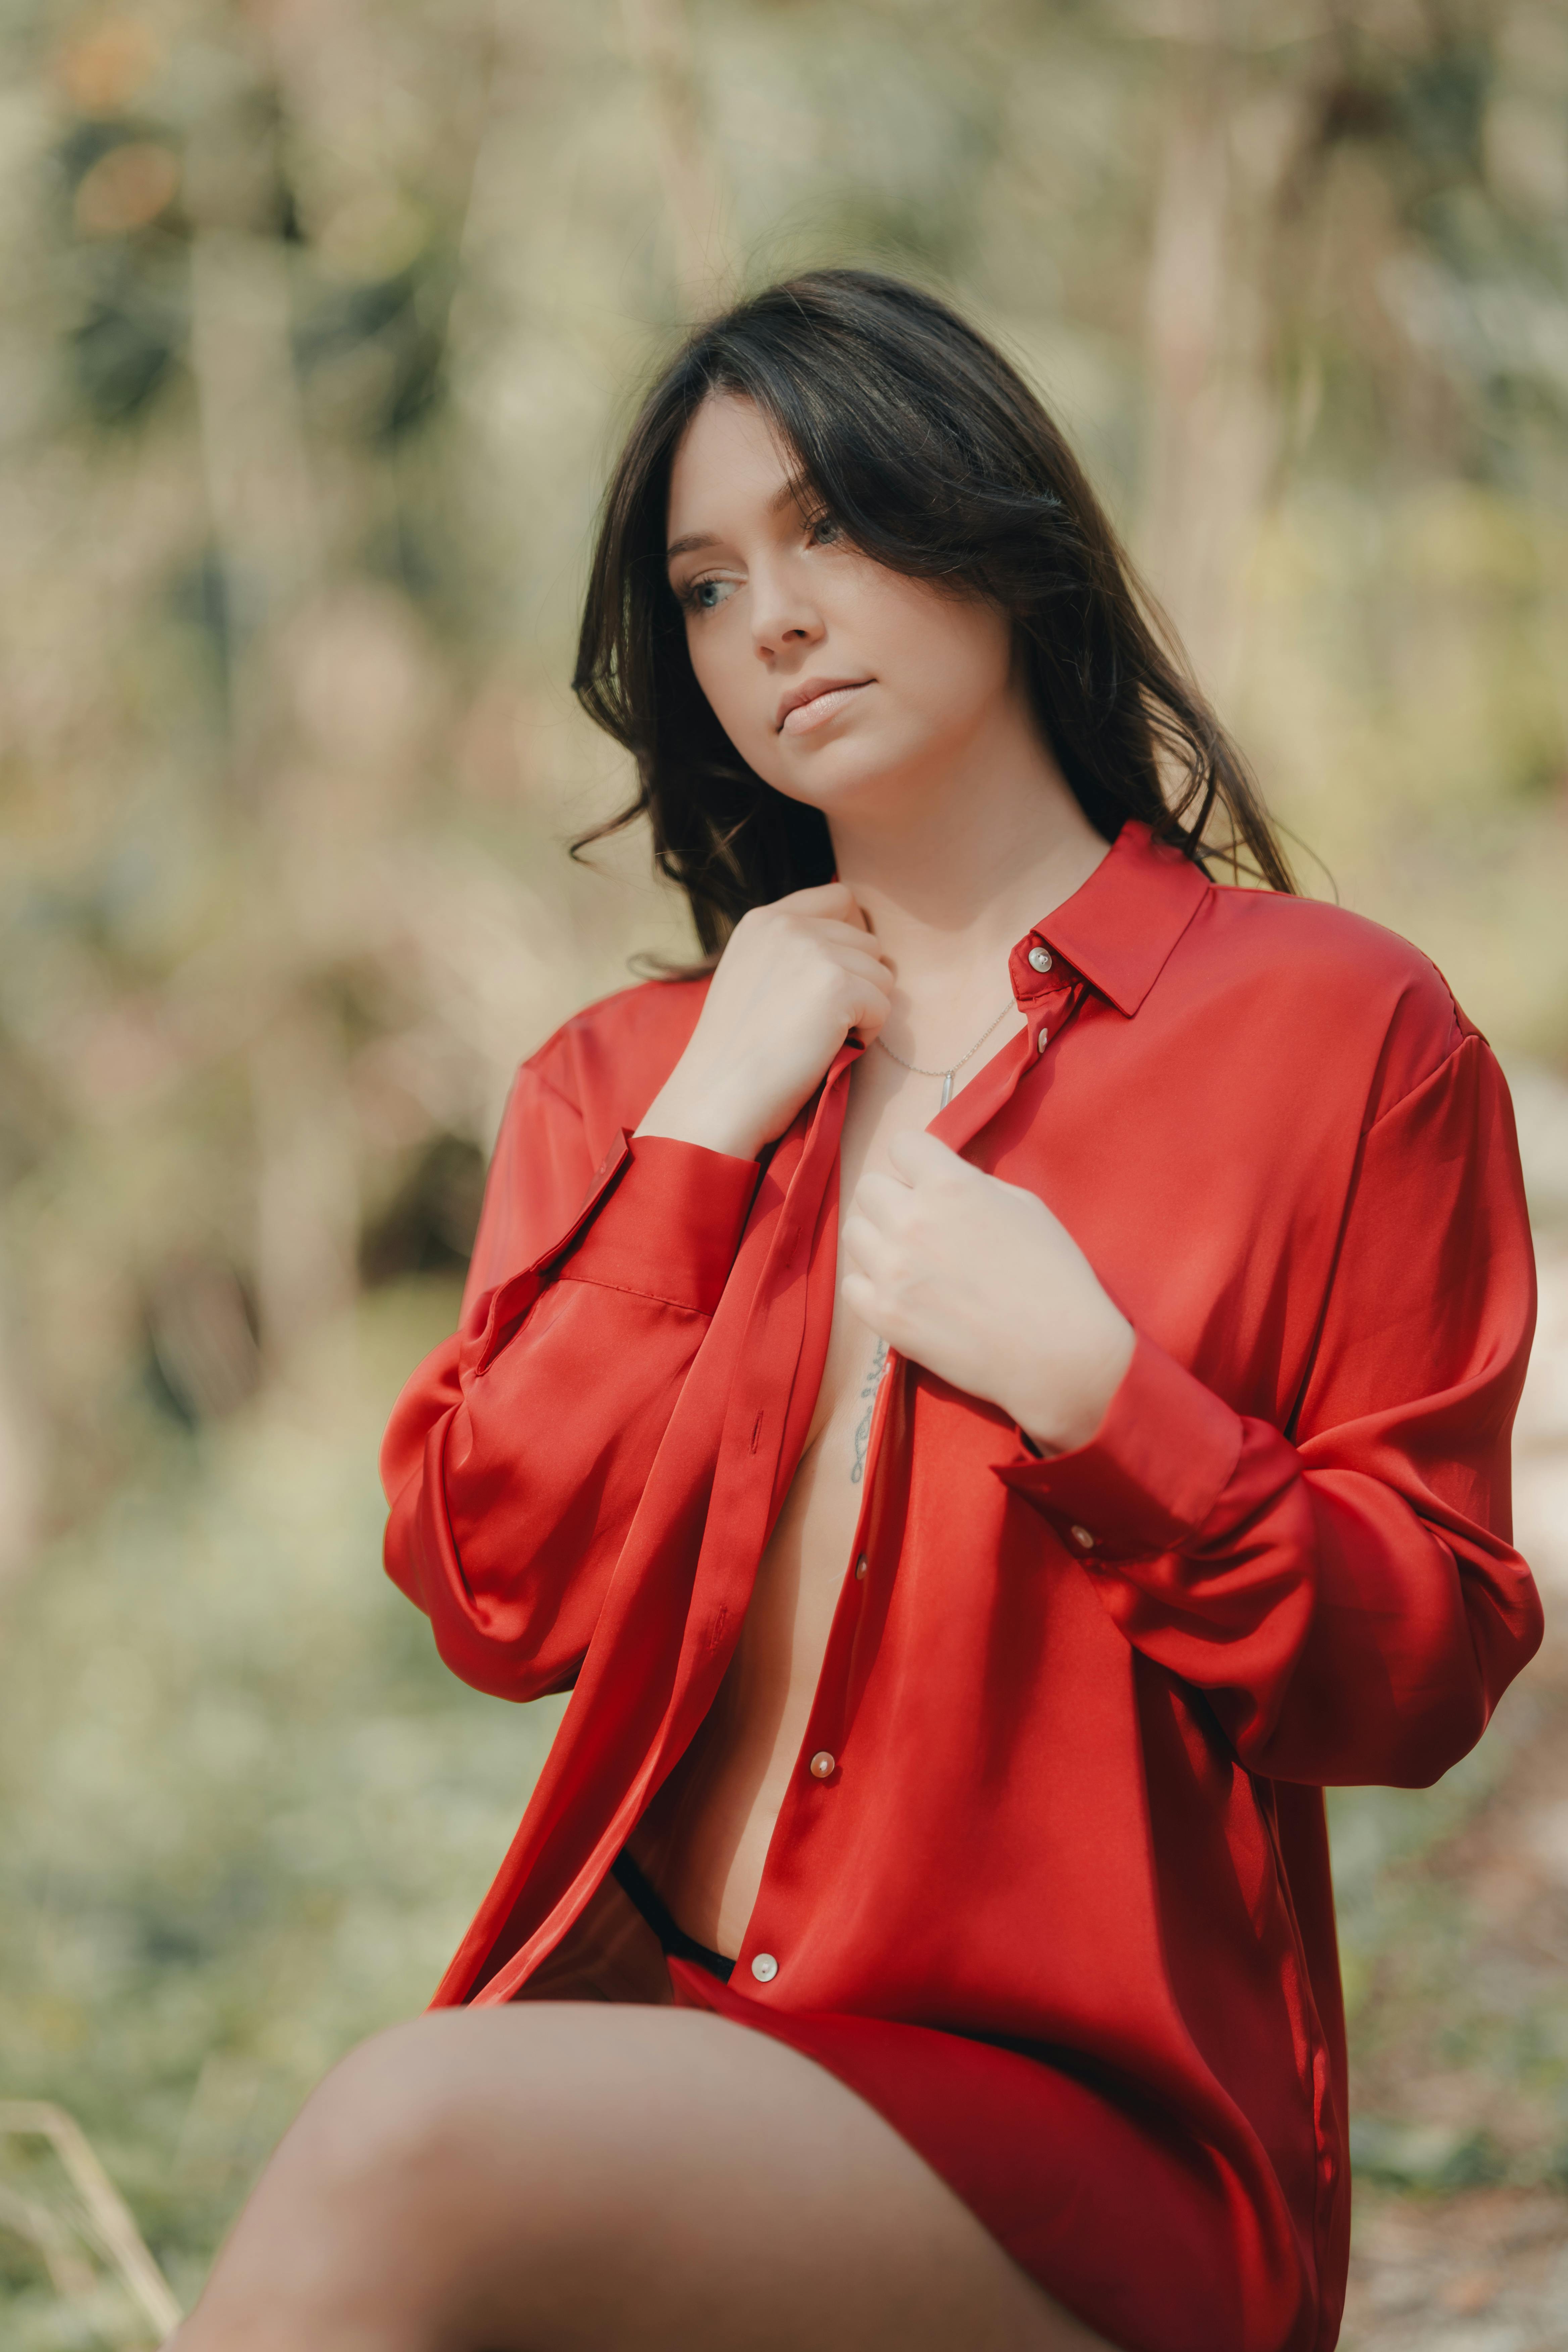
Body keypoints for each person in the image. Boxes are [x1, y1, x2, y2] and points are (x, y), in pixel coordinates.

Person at [171, 271, 1542, 2352]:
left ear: (989, 521)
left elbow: (1416, 1674)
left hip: (1094, 2140)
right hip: (667, 2051)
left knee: (403, 2144)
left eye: (826, 527)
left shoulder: (1340, 1036)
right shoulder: (625, 1085)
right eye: (707, 588)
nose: (776, 621)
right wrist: (712, 1127)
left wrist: (1109, 1405)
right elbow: (489, 1592)